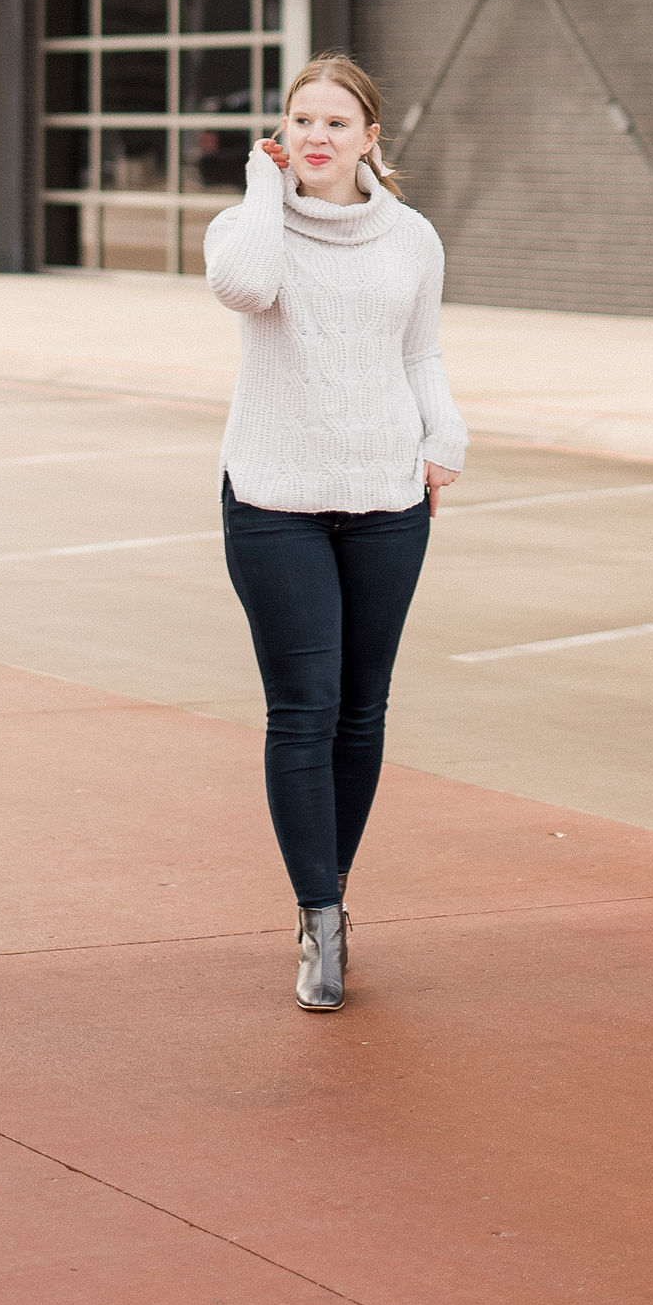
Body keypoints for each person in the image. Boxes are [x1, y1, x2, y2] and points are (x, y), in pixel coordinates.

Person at [204, 51, 467, 1013]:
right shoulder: (247, 226)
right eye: (300, 120)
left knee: (364, 709)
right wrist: (260, 187)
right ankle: (320, 918)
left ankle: (332, 890)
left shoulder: (412, 238)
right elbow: (244, 288)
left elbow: (422, 350)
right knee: (304, 708)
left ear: (370, 138)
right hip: (275, 499)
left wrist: (447, 434)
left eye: (334, 122)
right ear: (283, 133)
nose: (316, 136)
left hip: (388, 498)